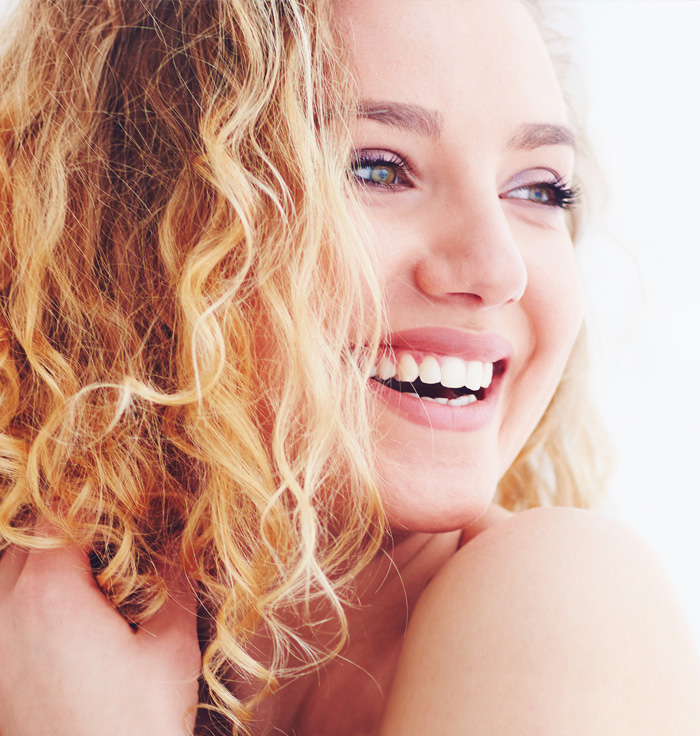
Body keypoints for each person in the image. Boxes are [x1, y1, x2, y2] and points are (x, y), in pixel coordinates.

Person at [0, 0, 699, 734]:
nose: (498, 270)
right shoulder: (35, 633)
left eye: (538, 189)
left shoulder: (565, 596)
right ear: (141, 215)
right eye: (377, 169)